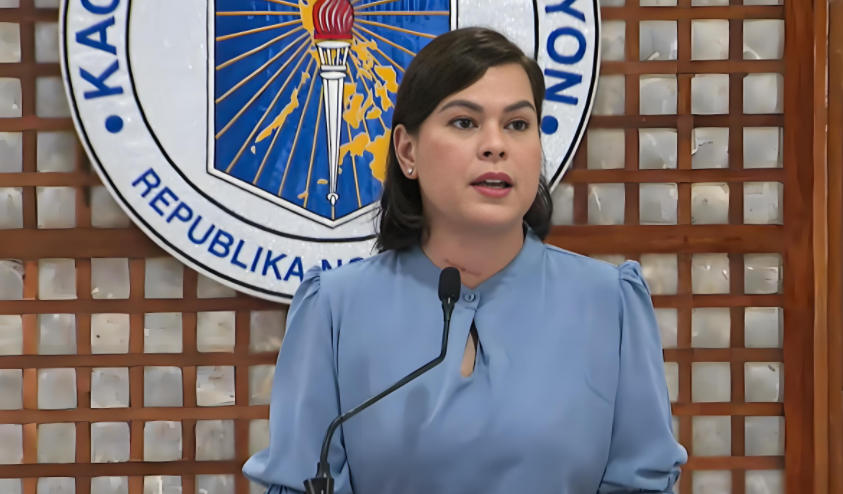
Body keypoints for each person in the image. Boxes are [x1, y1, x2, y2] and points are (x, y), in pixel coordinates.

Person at [243, 27, 687, 494]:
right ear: (407, 151)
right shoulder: (336, 308)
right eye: (464, 122)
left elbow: (642, 483)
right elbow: (302, 480)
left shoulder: (609, 303)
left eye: (518, 124)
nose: (495, 145)